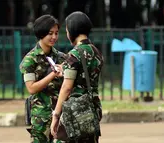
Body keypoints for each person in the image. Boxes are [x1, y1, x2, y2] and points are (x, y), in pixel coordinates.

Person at [50, 11, 104, 143]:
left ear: (73, 30)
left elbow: (66, 88)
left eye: (67, 30)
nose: (67, 34)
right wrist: (66, 70)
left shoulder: (74, 54)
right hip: (93, 108)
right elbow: (87, 75)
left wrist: (56, 115)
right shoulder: (96, 52)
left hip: (75, 112)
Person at [19, 15, 66, 143]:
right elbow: (31, 88)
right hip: (41, 118)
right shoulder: (30, 60)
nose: (54, 37)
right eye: (50, 33)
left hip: (61, 116)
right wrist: (53, 74)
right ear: (41, 33)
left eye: (56, 33)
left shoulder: (62, 58)